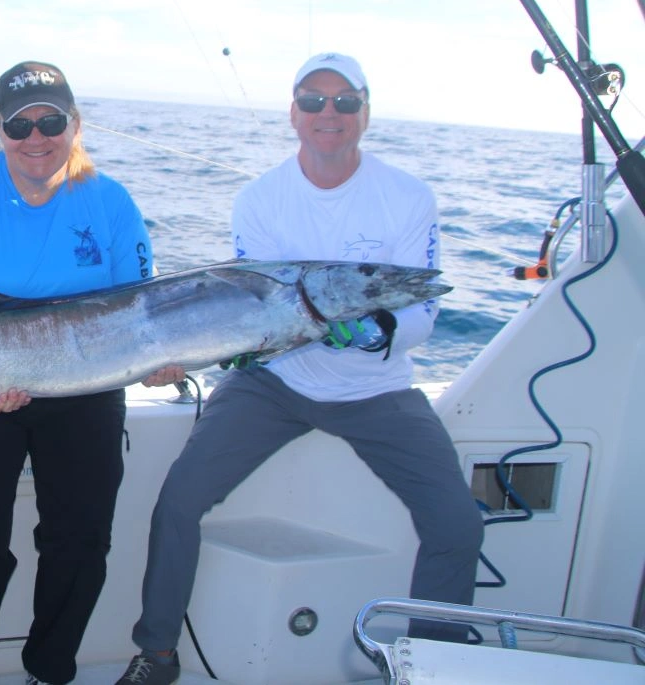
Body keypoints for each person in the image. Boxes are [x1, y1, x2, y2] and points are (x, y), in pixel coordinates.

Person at [115, 52, 485, 685]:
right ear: (294, 113)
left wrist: (372, 335)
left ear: (365, 113)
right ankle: (158, 654)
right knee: (178, 501)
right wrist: (207, 351)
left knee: (458, 522)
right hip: (274, 383)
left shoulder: (406, 196)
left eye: (345, 101)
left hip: (378, 389)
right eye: (314, 101)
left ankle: (431, 662)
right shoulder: (262, 198)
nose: (329, 113)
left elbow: (419, 304)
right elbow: (248, 316)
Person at [0, 60, 184, 685]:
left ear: (76, 125)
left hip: (84, 383)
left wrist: (157, 359)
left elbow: (143, 310)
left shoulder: (112, 202)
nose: (36, 137)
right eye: (19, 125)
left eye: (50, 121)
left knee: (81, 540)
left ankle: (49, 670)